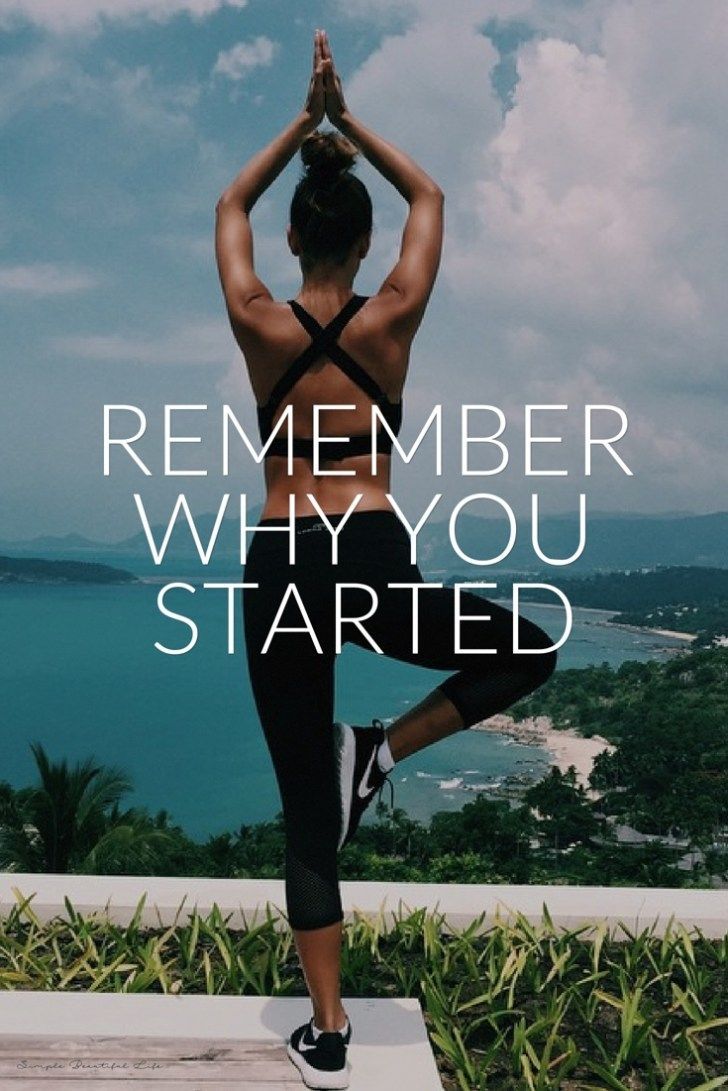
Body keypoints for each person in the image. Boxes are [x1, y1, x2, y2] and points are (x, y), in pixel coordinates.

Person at [215, 29, 558, 1090]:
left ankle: (325, 1027)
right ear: (362, 245)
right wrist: (347, 120)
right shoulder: (392, 320)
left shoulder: (258, 320)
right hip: (366, 556)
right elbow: (434, 199)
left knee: (305, 822)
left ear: (294, 238)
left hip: (278, 561)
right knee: (527, 654)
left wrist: (300, 121)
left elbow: (227, 209)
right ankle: (379, 748)